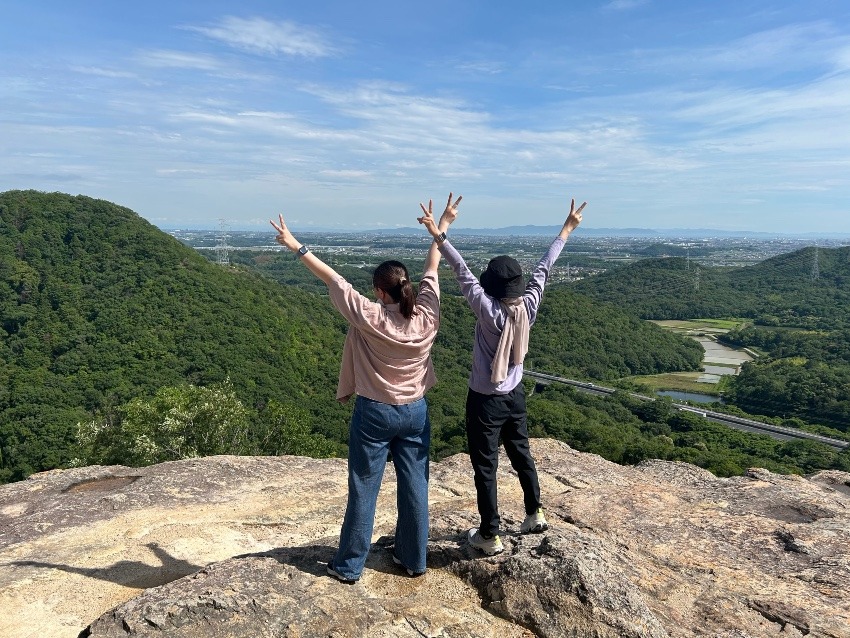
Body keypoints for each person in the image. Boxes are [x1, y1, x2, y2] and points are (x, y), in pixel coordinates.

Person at [270, 196, 459, 582]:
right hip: (415, 410)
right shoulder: (427, 316)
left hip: (374, 412)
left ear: (379, 291)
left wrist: (296, 246)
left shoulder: (370, 316)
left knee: (364, 488)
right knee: (415, 487)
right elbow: (433, 267)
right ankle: (413, 558)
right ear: (407, 287)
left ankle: (350, 564)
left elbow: (333, 279)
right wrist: (441, 226)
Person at [418, 195, 586, 556]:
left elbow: (461, 270)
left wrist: (440, 231)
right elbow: (544, 268)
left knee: (486, 466)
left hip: (484, 399)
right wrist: (566, 230)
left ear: (492, 286)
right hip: (515, 395)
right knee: (521, 452)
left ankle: (489, 533)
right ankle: (534, 512)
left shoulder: (487, 310)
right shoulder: (528, 306)